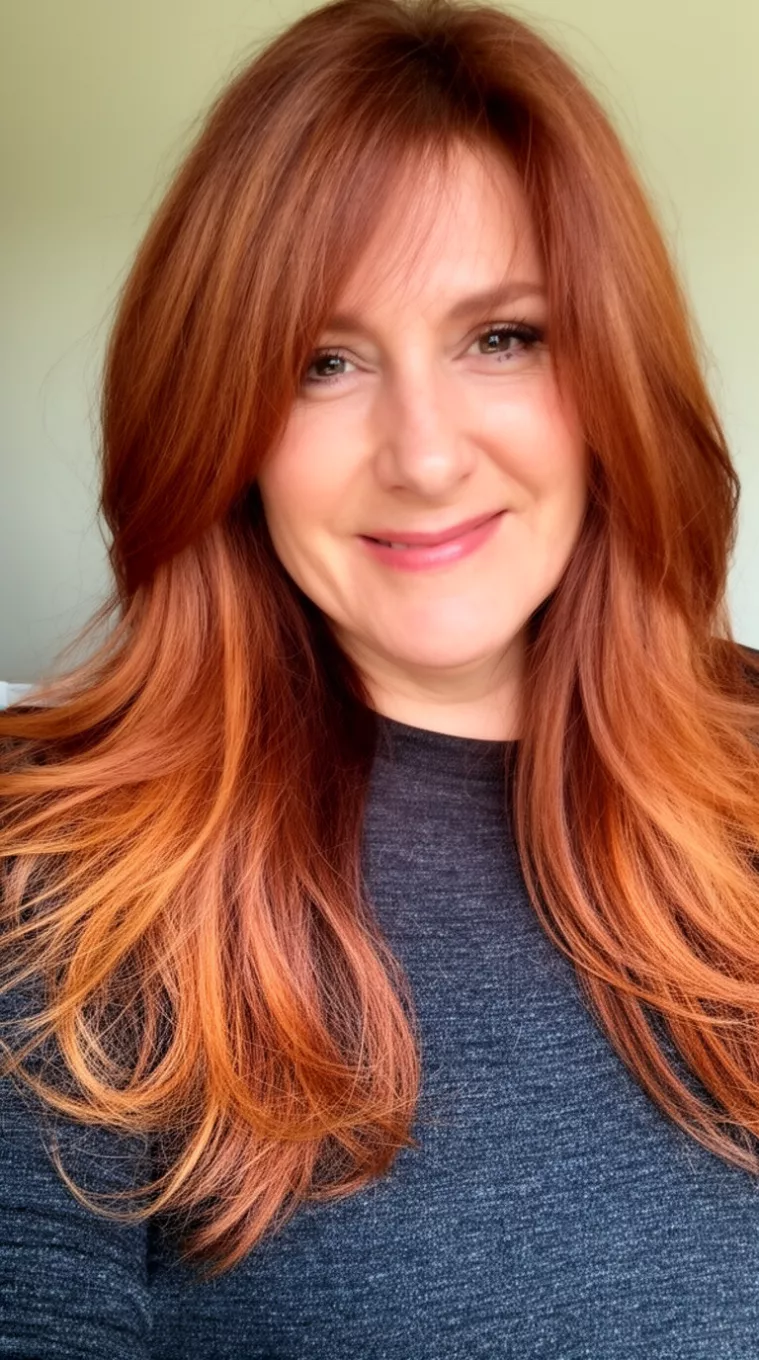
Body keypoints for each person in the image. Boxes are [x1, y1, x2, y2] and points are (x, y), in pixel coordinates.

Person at [1, 0, 758, 1354]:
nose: (423, 456)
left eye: (501, 336)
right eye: (323, 362)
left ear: (613, 375)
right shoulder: (59, 876)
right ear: (219, 419)